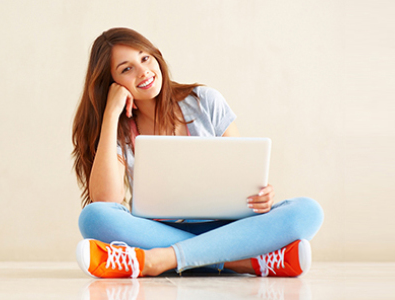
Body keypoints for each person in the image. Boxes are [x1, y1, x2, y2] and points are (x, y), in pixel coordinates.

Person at [71, 27, 324, 278]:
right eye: (127, 69)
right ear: (112, 84)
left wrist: (262, 196)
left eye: (145, 58)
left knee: (308, 211)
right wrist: (110, 114)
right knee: (94, 217)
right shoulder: (119, 129)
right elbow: (106, 200)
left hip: (227, 226)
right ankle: (242, 261)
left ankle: (161, 259)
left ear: (156, 56)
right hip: (159, 230)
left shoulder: (205, 101)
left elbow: (242, 173)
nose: (143, 71)